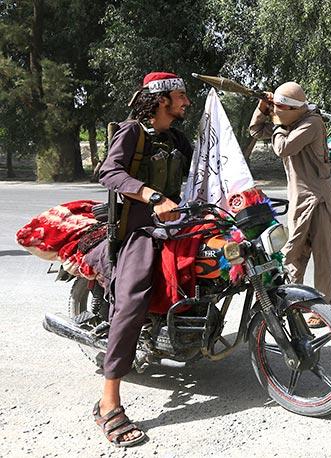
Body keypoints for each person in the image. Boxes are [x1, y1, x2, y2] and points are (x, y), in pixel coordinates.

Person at [94, 72, 193, 447]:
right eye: (180, 95)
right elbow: (109, 172)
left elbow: (211, 164)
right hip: (138, 229)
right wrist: (152, 197)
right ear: (162, 99)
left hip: (175, 222)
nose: (186, 102)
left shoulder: (176, 138)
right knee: (132, 297)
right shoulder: (133, 132)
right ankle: (108, 401)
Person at [248, 82, 331, 328]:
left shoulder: (312, 124)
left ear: (293, 109)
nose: (276, 111)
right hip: (299, 198)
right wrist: (263, 107)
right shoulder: (290, 123)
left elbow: (283, 148)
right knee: (294, 253)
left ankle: (324, 306)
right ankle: (294, 299)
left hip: (319, 198)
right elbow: (256, 130)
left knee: (323, 254)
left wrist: (278, 121)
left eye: (280, 107)